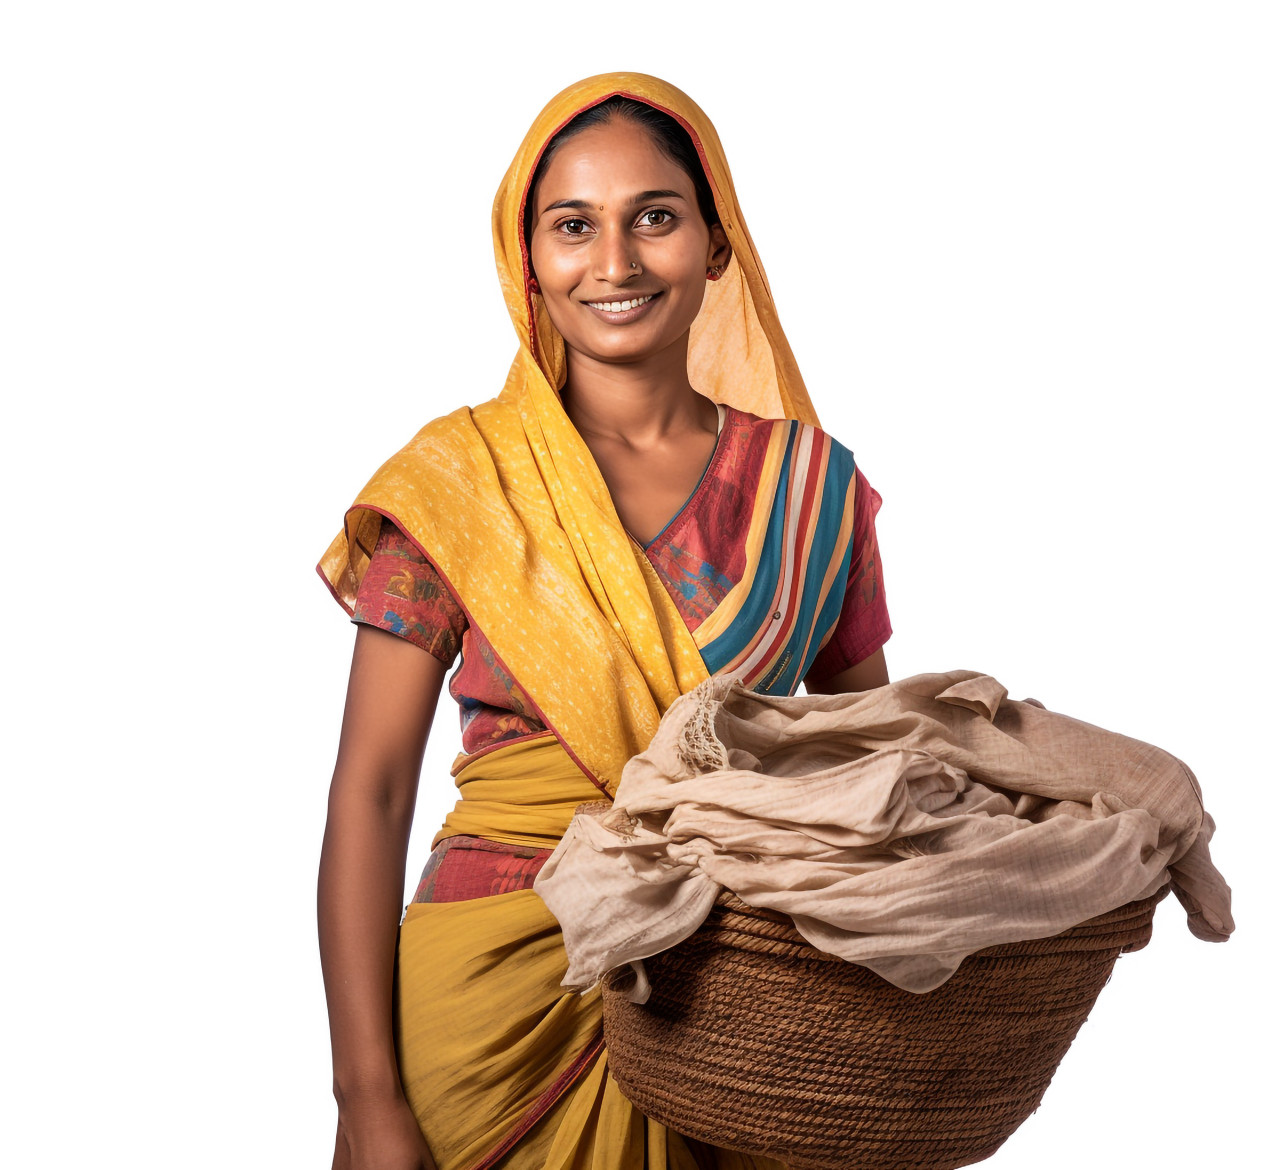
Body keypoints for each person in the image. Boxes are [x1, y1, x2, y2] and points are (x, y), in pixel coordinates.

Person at [316, 72, 893, 1170]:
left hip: (739, 1013)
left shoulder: (811, 491)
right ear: (525, 256)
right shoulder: (459, 483)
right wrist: (364, 1099)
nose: (614, 263)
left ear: (718, 248)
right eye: (572, 226)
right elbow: (370, 788)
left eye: (656, 219)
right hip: (497, 1007)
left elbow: (864, 772)